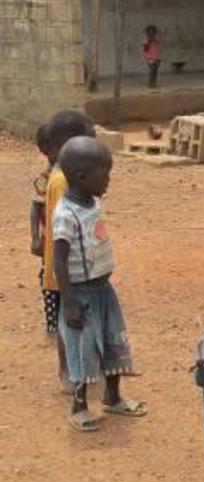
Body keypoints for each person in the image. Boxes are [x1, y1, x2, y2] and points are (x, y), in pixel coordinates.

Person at [53, 136, 147, 431]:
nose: (108, 180)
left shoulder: (92, 200)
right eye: (104, 174)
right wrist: (68, 301)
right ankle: (79, 406)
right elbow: (58, 259)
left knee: (112, 341)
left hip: (104, 290)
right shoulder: (65, 215)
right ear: (81, 177)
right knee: (82, 348)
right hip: (80, 294)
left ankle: (113, 396)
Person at [44, 110, 96, 393]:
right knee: (70, 319)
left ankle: (75, 370)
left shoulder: (59, 174)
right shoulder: (65, 180)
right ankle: (69, 372)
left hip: (66, 261)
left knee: (74, 317)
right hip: (68, 264)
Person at [29, 125, 58, 335]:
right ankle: (52, 322)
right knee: (48, 275)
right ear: (44, 149)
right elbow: (35, 208)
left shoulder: (70, 175)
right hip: (49, 238)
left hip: (68, 235)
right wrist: (35, 238)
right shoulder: (43, 179)